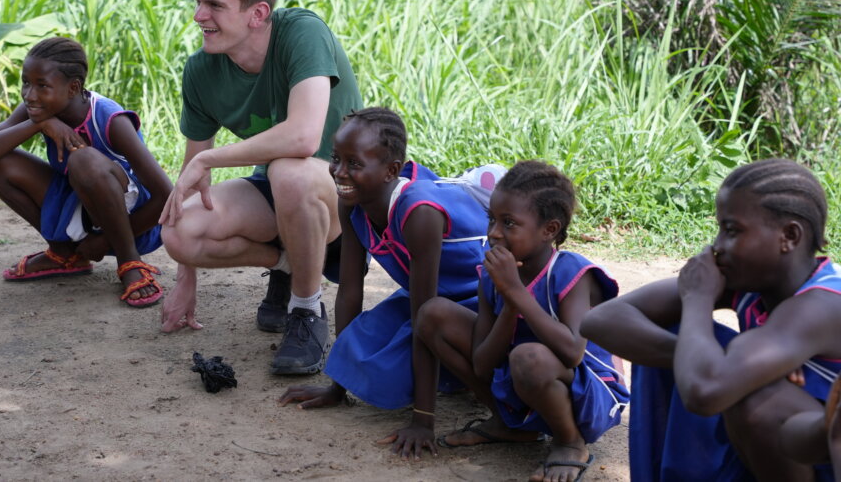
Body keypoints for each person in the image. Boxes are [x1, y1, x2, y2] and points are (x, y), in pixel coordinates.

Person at [158, 0, 362, 375]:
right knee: (179, 230)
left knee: (290, 171)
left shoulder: (302, 32)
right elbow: (192, 178)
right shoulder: (201, 71)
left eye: (215, 5)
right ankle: (289, 265)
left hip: (345, 195)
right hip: (282, 194)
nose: (199, 17)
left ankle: (306, 311)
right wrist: (185, 278)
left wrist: (212, 161)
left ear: (258, 13)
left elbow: (304, 136)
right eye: (198, 3)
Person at [581, 158, 841, 482]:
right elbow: (600, 320)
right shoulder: (753, 284)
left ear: (789, 236)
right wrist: (713, 359)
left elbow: (704, 390)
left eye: (731, 231)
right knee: (687, 340)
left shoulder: (823, 304)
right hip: (779, 449)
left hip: (820, 452)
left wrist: (698, 301)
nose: (717, 246)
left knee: (753, 398)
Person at [278, 107, 487, 458]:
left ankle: (466, 381)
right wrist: (337, 384)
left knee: (393, 371)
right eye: (335, 159)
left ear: (391, 170)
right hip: (432, 301)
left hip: (476, 304)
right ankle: (450, 375)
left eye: (354, 164)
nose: (340, 173)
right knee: (366, 356)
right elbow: (349, 290)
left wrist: (423, 420)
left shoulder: (419, 214)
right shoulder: (353, 202)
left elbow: (425, 316)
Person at [416, 161, 627, 481]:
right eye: (491, 219)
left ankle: (570, 442)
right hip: (526, 375)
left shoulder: (569, 272)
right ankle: (508, 424)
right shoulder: (492, 276)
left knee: (526, 356)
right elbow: (482, 363)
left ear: (549, 230)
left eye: (509, 223)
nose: (493, 232)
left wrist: (516, 292)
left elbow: (572, 352)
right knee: (433, 314)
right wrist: (509, 302)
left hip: (590, 391)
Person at [0, 37, 172, 308]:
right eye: (26, 82)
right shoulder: (37, 110)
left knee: (83, 159)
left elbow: (166, 195)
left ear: (73, 87)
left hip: (135, 221)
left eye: (42, 85)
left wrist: (105, 241)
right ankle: (65, 254)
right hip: (81, 208)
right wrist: (39, 125)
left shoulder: (110, 119)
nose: (29, 94)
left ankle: (130, 261)